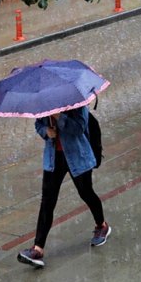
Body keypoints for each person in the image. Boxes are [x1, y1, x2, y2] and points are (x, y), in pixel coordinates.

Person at [17, 106, 111, 268]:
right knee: (47, 201)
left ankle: (102, 225)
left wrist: (59, 117)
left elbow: (79, 128)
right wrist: (46, 131)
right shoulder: (46, 102)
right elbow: (38, 124)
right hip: (54, 158)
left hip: (77, 156)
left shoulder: (77, 104)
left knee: (86, 193)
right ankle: (38, 248)